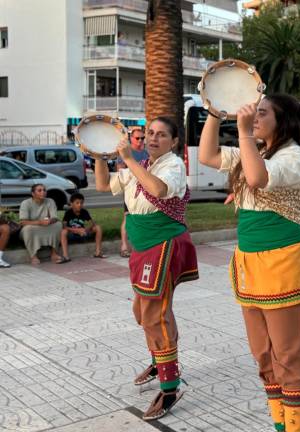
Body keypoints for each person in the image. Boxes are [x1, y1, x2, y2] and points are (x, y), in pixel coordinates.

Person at [198, 94, 300, 431]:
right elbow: (207, 155)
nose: (252, 115)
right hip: (251, 264)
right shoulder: (260, 150)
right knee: (263, 352)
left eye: (261, 112)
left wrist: (244, 133)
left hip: (283, 265)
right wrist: (213, 111)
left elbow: (256, 178)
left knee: (288, 354)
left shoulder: (294, 156)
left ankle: (297, 426)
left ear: (284, 120)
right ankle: (282, 424)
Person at [94, 117, 198, 420]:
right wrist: (101, 154)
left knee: (155, 313)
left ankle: (170, 385)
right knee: (145, 311)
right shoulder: (142, 166)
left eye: (161, 134)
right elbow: (102, 184)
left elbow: (159, 189)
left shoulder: (172, 165)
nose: (153, 138)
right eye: (149, 133)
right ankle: (160, 357)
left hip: (163, 244)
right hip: (144, 249)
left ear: (174, 141)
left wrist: (127, 158)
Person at [118, 128, 149, 258]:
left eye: (142, 138)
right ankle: (124, 245)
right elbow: (120, 170)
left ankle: (141, 244)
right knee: (127, 216)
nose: (140, 141)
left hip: (145, 189)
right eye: (137, 138)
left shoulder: (147, 153)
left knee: (143, 217)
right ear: (131, 139)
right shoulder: (126, 152)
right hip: (130, 190)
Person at [19, 184, 63, 265]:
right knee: (28, 229)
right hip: (32, 228)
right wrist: (39, 222)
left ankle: (54, 253)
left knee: (58, 225)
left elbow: (55, 218)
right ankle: (33, 256)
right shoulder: (25, 203)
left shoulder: (50, 201)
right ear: (33, 193)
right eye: (39, 190)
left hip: (46, 226)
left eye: (44, 190)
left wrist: (50, 220)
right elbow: (23, 222)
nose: (43, 192)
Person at [59, 193, 106, 262]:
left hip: (83, 233)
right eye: (77, 203)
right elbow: (64, 226)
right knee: (63, 232)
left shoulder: (84, 212)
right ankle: (66, 256)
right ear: (71, 204)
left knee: (98, 227)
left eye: (81, 203)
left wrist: (85, 230)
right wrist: (76, 230)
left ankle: (98, 252)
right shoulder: (68, 213)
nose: (79, 205)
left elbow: (92, 223)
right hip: (72, 234)